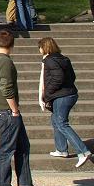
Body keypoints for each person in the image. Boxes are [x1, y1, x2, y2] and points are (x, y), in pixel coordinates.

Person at [0, 30, 46, 186]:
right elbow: (6, 87)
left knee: (23, 145)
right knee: (7, 148)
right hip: (6, 110)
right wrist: (15, 110)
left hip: (1, 108)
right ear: (12, 45)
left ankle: (25, 184)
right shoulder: (6, 62)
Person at [38, 37, 91, 167]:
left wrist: (48, 92)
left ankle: (83, 151)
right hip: (70, 94)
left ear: (44, 48)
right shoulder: (64, 59)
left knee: (62, 123)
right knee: (55, 119)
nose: (39, 50)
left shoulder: (49, 60)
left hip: (62, 96)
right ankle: (61, 149)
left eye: (40, 47)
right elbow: (72, 77)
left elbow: (57, 78)